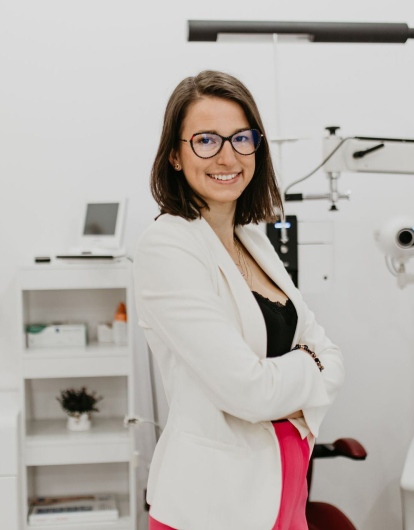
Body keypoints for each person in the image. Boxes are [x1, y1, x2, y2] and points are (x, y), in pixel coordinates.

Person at [134, 70, 345, 530]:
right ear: (175, 155)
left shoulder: (252, 238)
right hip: (214, 505)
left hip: (284, 490)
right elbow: (250, 392)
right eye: (206, 140)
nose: (227, 156)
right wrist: (309, 368)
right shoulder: (168, 246)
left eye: (241, 138)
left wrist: (296, 375)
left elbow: (332, 356)